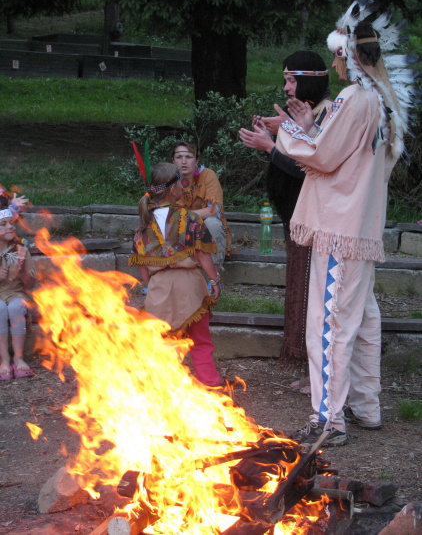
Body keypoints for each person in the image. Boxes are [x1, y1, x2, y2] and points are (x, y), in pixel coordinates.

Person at [251, 0, 419, 447]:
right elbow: (344, 154)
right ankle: (366, 406)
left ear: (349, 55)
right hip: (360, 228)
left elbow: (322, 155)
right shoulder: (383, 100)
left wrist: (288, 131)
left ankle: (328, 420)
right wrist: (305, 127)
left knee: (328, 326)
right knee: (362, 320)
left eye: (337, 55)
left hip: (340, 228)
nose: (333, 64)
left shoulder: (354, 97)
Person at [239, 52, 332, 392]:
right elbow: (299, 152)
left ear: (308, 80)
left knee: (316, 299)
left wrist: (270, 146)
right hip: (298, 220)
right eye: (286, 80)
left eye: (292, 80)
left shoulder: (329, 113)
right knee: (302, 293)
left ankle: (322, 375)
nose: (287, 88)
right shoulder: (312, 113)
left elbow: (311, 167)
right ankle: (313, 369)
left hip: (318, 223)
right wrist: (279, 130)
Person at [128, 162, 223, 387]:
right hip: (190, 287)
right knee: (201, 342)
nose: (183, 185)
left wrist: (149, 286)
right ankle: (211, 384)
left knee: (162, 344)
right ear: (173, 189)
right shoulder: (190, 218)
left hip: (158, 289)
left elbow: (142, 264)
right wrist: (214, 279)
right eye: (180, 181)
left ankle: (162, 390)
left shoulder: (143, 225)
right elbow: (202, 254)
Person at [172, 141, 230, 272]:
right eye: (179, 157)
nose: (184, 161)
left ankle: (214, 276)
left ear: (196, 160)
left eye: (189, 157)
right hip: (179, 229)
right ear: (173, 160)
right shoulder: (168, 179)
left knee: (212, 223)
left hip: (205, 228)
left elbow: (214, 211)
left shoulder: (208, 175)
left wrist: (183, 215)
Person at [0, 208, 36, 380]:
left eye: (11, 223)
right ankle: (4, 359)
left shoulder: (20, 250)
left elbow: (30, 284)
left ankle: (18, 358)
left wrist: (22, 273)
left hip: (16, 294)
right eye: (3, 224)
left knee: (16, 307)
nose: (10, 227)